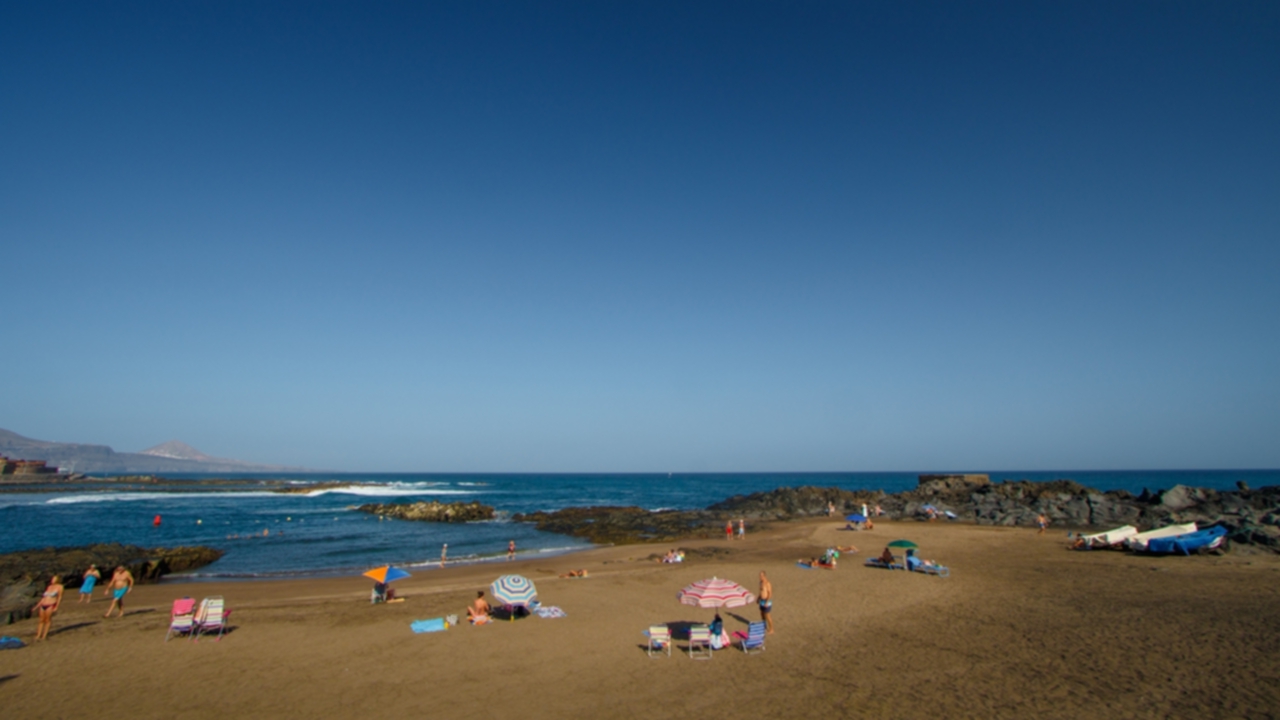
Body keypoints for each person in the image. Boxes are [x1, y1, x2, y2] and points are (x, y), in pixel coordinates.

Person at [33, 575, 63, 641]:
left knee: (47, 620)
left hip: (50, 604)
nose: (52, 580)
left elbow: (59, 597)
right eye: (52, 579)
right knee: (41, 620)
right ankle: (38, 635)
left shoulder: (60, 587)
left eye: (54, 579)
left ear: (57, 580)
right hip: (43, 604)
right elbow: (43, 598)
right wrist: (36, 606)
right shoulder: (49, 587)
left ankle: (44, 635)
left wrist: (56, 606)